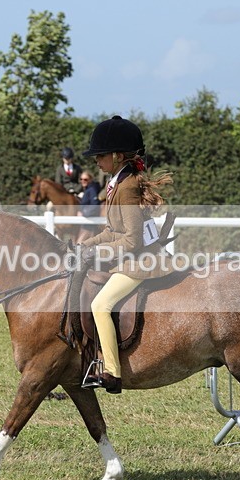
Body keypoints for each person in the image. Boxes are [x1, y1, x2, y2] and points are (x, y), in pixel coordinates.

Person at [79, 116, 173, 394]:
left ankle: (112, 372)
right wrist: (84, 246)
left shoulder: (128, 185)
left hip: (142, 260)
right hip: (132, 256)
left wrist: (97, 253)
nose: (96, 160)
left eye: (101, 155)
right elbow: (112, 230)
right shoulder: (117, 182)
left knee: (100, 305)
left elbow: (132, 239)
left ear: (118, 156)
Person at [77, 171, 102, 243]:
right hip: (86, 223)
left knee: (80, 244)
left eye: (85, 179)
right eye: (81, 179)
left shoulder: (92, 190)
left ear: (90, 180)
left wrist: (83, 213)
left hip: (89, 225)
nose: (83, 181)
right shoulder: (87, 189)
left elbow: (95, 205)